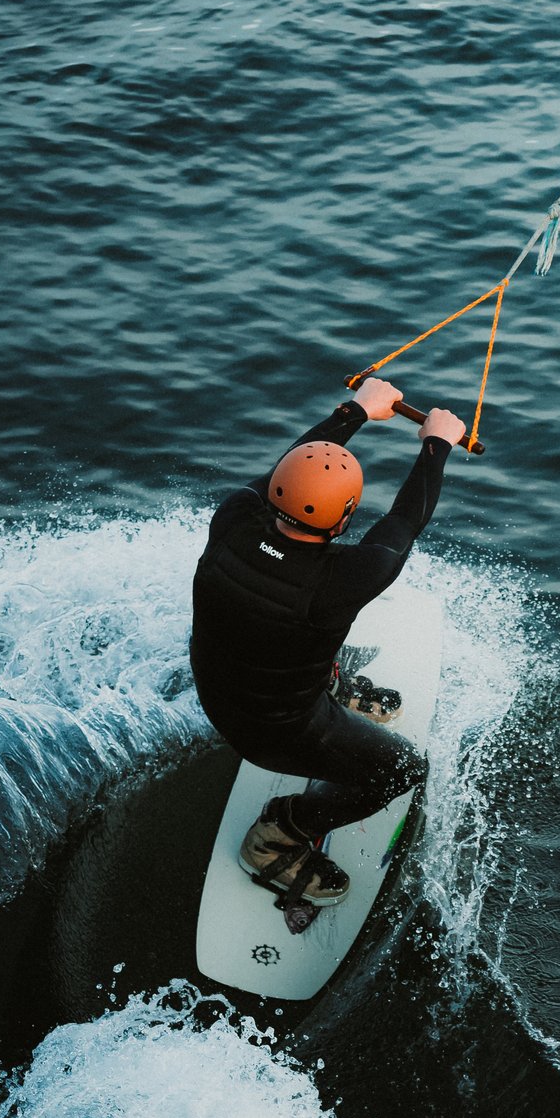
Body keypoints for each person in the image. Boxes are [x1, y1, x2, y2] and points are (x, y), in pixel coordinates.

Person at [190, 376, 467, 909]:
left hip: (217, 688)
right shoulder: (341, 583)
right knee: (405, 771)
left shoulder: (232, 520)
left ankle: (330, 688)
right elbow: (405, 520)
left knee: (285, 627)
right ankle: (279, 834)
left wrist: (356, 411)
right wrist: (437, 444)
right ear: (343, 519)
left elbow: (288, 467)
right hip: (273, 733)